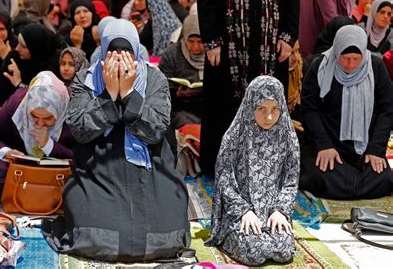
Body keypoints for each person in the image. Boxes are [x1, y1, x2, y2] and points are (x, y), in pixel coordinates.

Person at [42, 19, 190, 262]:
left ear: (136, 52)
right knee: (91, 224)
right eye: (113, 53)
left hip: (149, 168)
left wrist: (130, 94)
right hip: (99, 166)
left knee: (168, 223)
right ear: (103, 52)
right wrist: (109, 96)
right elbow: (79, 130)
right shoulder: (85, 80)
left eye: (126, 54)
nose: (119, 61)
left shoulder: (154, 80)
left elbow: (155, 130)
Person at [197, 0, 300, 174]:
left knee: (267, 103)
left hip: (269, 47)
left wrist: (288, 37)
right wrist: (211, 40)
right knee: (225, 107)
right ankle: (223, 169)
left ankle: (268, 169)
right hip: (229, 48)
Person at [207, 76, 299, 266]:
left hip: (273, 213)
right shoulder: (234, 136)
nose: (269, 117)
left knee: (284, 251)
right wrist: (244, 211)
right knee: (254, 252)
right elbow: (225, 182)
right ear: (250, 106)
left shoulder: (287, 136)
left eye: (275, 109)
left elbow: (291, 180)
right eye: (261, 109)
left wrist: (280, 211)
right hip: (241, 214)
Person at [300, 25, 393, 199]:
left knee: (385, 179)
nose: (350, 65)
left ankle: (351, 185)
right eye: (345, 58)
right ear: (337, 52)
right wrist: (324, 145)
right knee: (319, 177)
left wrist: (375, 149)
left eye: (356, 58)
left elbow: (387, 110)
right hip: (328, 146)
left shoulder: (376, 67)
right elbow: (309, 109)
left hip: (363, 149)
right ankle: (354, 185)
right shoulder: (320, 66)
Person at [0, 71, 74, 201]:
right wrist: (7, 152)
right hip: (18, 171)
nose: (40, 124)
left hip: (54, 175)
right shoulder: (18, 103)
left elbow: (78, 157)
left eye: (47, 118)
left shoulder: (73, 113)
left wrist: (48, 144)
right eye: (34, 116)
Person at [0, 24, 58, 118]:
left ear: (35, 49)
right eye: (18, 43)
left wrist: (19, 84)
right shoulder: (14, 57)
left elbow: (42, 101)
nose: (17, 48)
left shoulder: (53, 67)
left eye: (23, 46)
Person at [159, 15, 204, 129]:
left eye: (200, 42)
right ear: (184, 38)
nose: (196, 47)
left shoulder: (213, 54)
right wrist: (178, 94)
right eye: (191, 41)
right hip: (180, 109)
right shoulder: (171, 55)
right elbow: (160, 90)